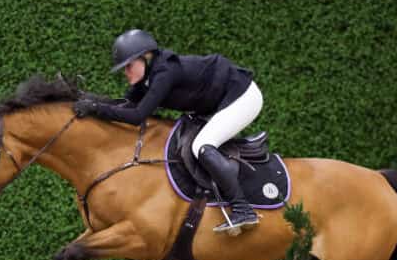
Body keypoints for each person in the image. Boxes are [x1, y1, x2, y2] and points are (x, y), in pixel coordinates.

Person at [74, 29, 263, 233]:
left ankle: (243, 209)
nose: (126, 72)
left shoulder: (165, 72)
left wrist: (96, 109)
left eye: (128, 66)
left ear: (145, 58)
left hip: (243, 96)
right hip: (221, 100)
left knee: (202, 145)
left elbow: (138, 116)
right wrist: (94, 104)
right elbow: (125, 105)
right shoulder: (146, 79)